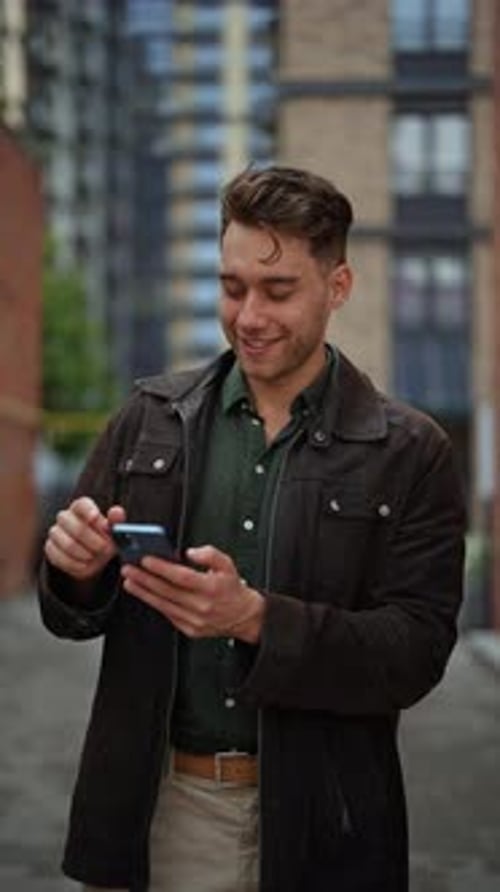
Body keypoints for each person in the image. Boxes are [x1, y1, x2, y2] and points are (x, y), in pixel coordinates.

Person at [39, 165, 466, 892]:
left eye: (278, 290)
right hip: (158, 815)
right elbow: (70, 613)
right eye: (232, 287)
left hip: (327, 828)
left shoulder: (411, 453)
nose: (249, 317)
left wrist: (257, 619)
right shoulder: (146, 419)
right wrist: (74, 570)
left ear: (337, 286)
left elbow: (416, 653)